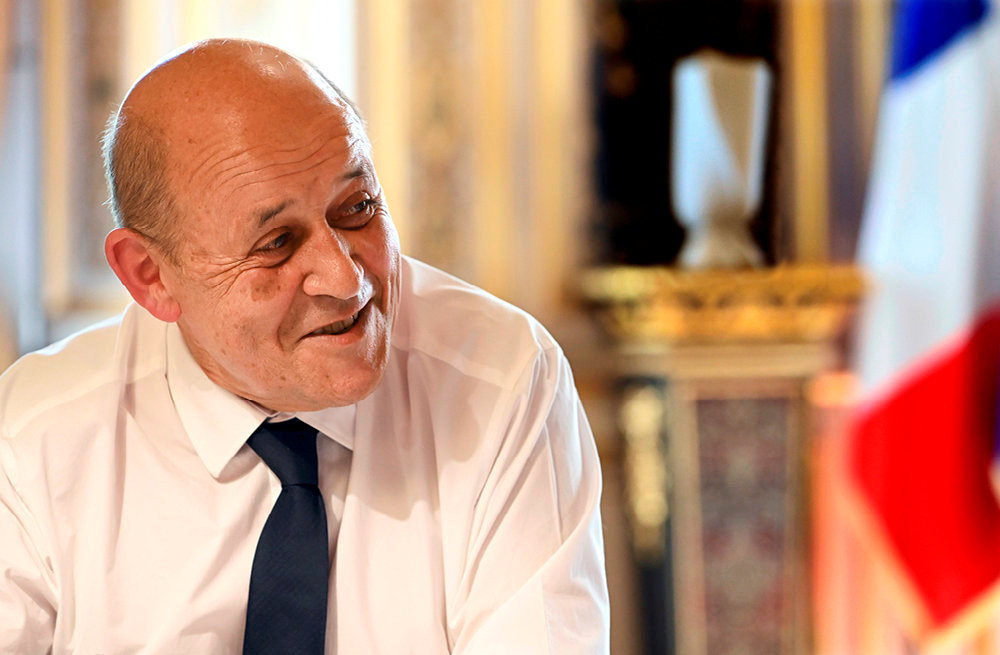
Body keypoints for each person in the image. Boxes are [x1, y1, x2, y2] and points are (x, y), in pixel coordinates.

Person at [0, 39, 609, 653]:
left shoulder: (501, 380)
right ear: (151, 275)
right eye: (277, 243)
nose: (345, 278)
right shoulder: (31, 442)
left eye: (357, 208)